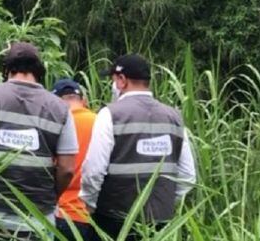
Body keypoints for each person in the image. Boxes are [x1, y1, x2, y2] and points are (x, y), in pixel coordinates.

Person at [0, 42, 78, 238]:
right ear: (39, 71)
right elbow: (68, 169)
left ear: (7, 70)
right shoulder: (61, 109)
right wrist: (51, 196)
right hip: (36, 219)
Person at [79, 54, 196, 240]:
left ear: (122, 80)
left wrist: (90, 204)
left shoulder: (109, 114)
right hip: (161, 224)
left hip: (113, 220)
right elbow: (188, 176)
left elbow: (93, 170)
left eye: (113, 80)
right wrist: (165, 204)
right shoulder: (174, 117)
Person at [50, 78, 98, 241]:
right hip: (97, 216)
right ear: (84, 100)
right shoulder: (102, 122)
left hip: (63, 213)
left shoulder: (55, 124)